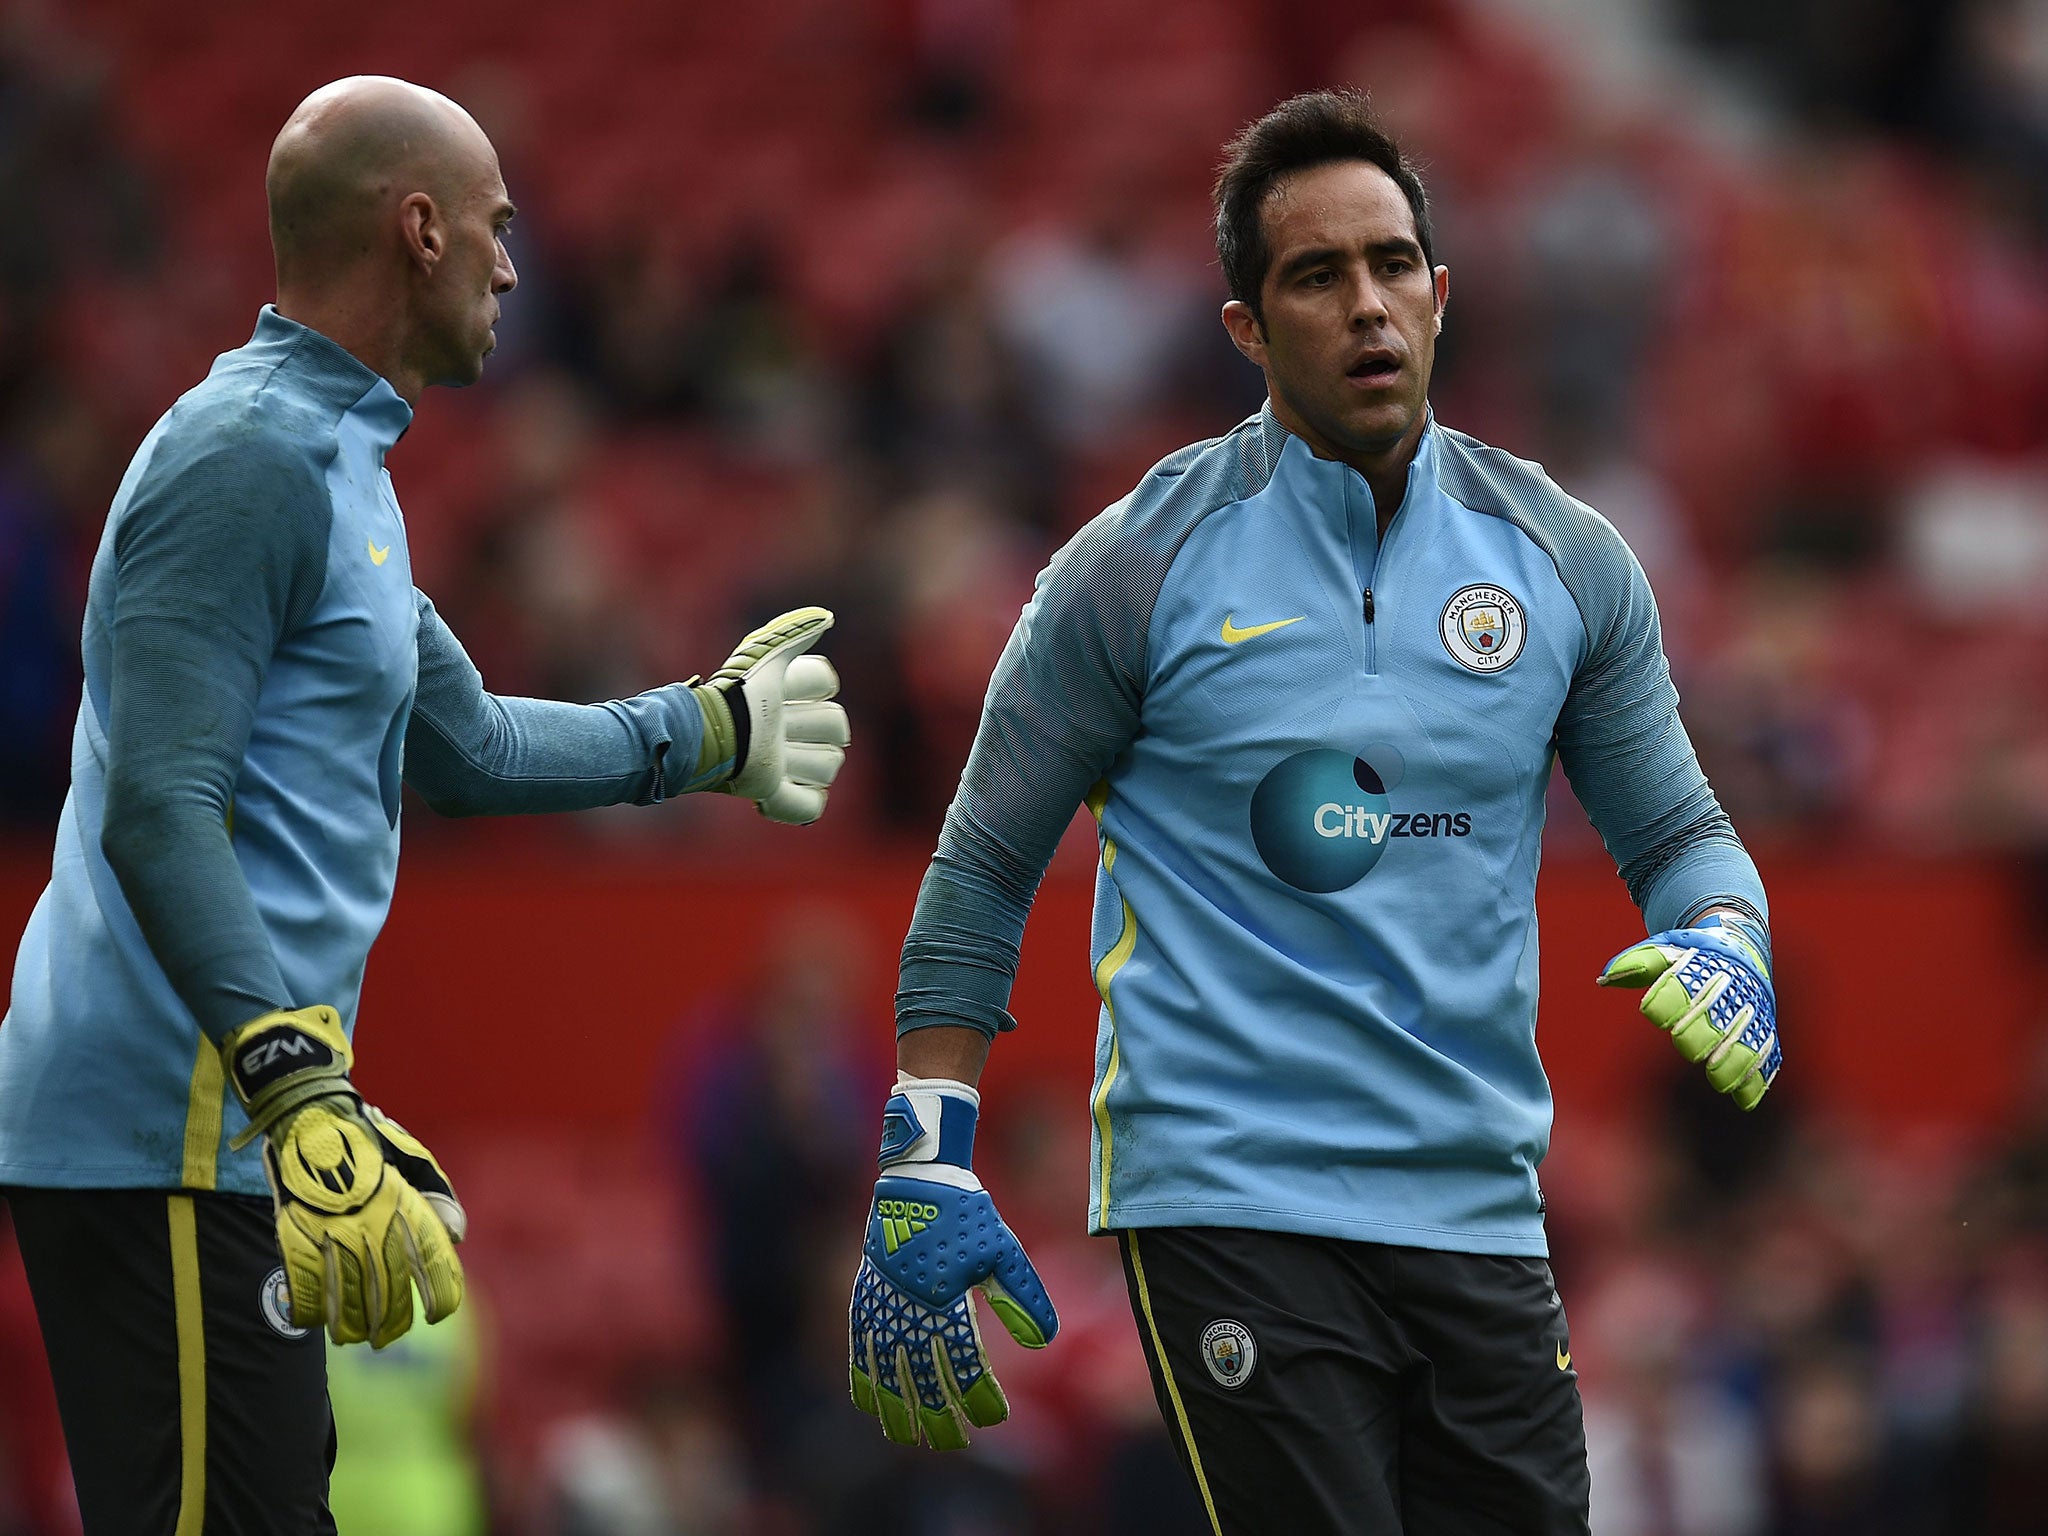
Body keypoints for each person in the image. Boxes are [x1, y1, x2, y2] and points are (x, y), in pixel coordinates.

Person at [844, 90, 1779, 1536]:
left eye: (1394, 265)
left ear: (1444, 292)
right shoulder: (1133, 571)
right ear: (1245, 327)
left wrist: (1730, 937)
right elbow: (980, 868)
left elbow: (1681, 837)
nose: (1368, 306)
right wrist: (923, 1157)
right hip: (1230, 1197)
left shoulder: (1567, 560)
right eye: (1317, 275)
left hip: (1478, 1208)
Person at [0, 76, 849, 1534]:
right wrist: (292, 1080)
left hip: (236, 1126)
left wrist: (703, 730)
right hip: (176, 1129)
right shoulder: (248, 457)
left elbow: (462, 743)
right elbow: (159, 803)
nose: (516, 267)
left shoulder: (337, 463)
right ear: (418, 228)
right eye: (496, 229)